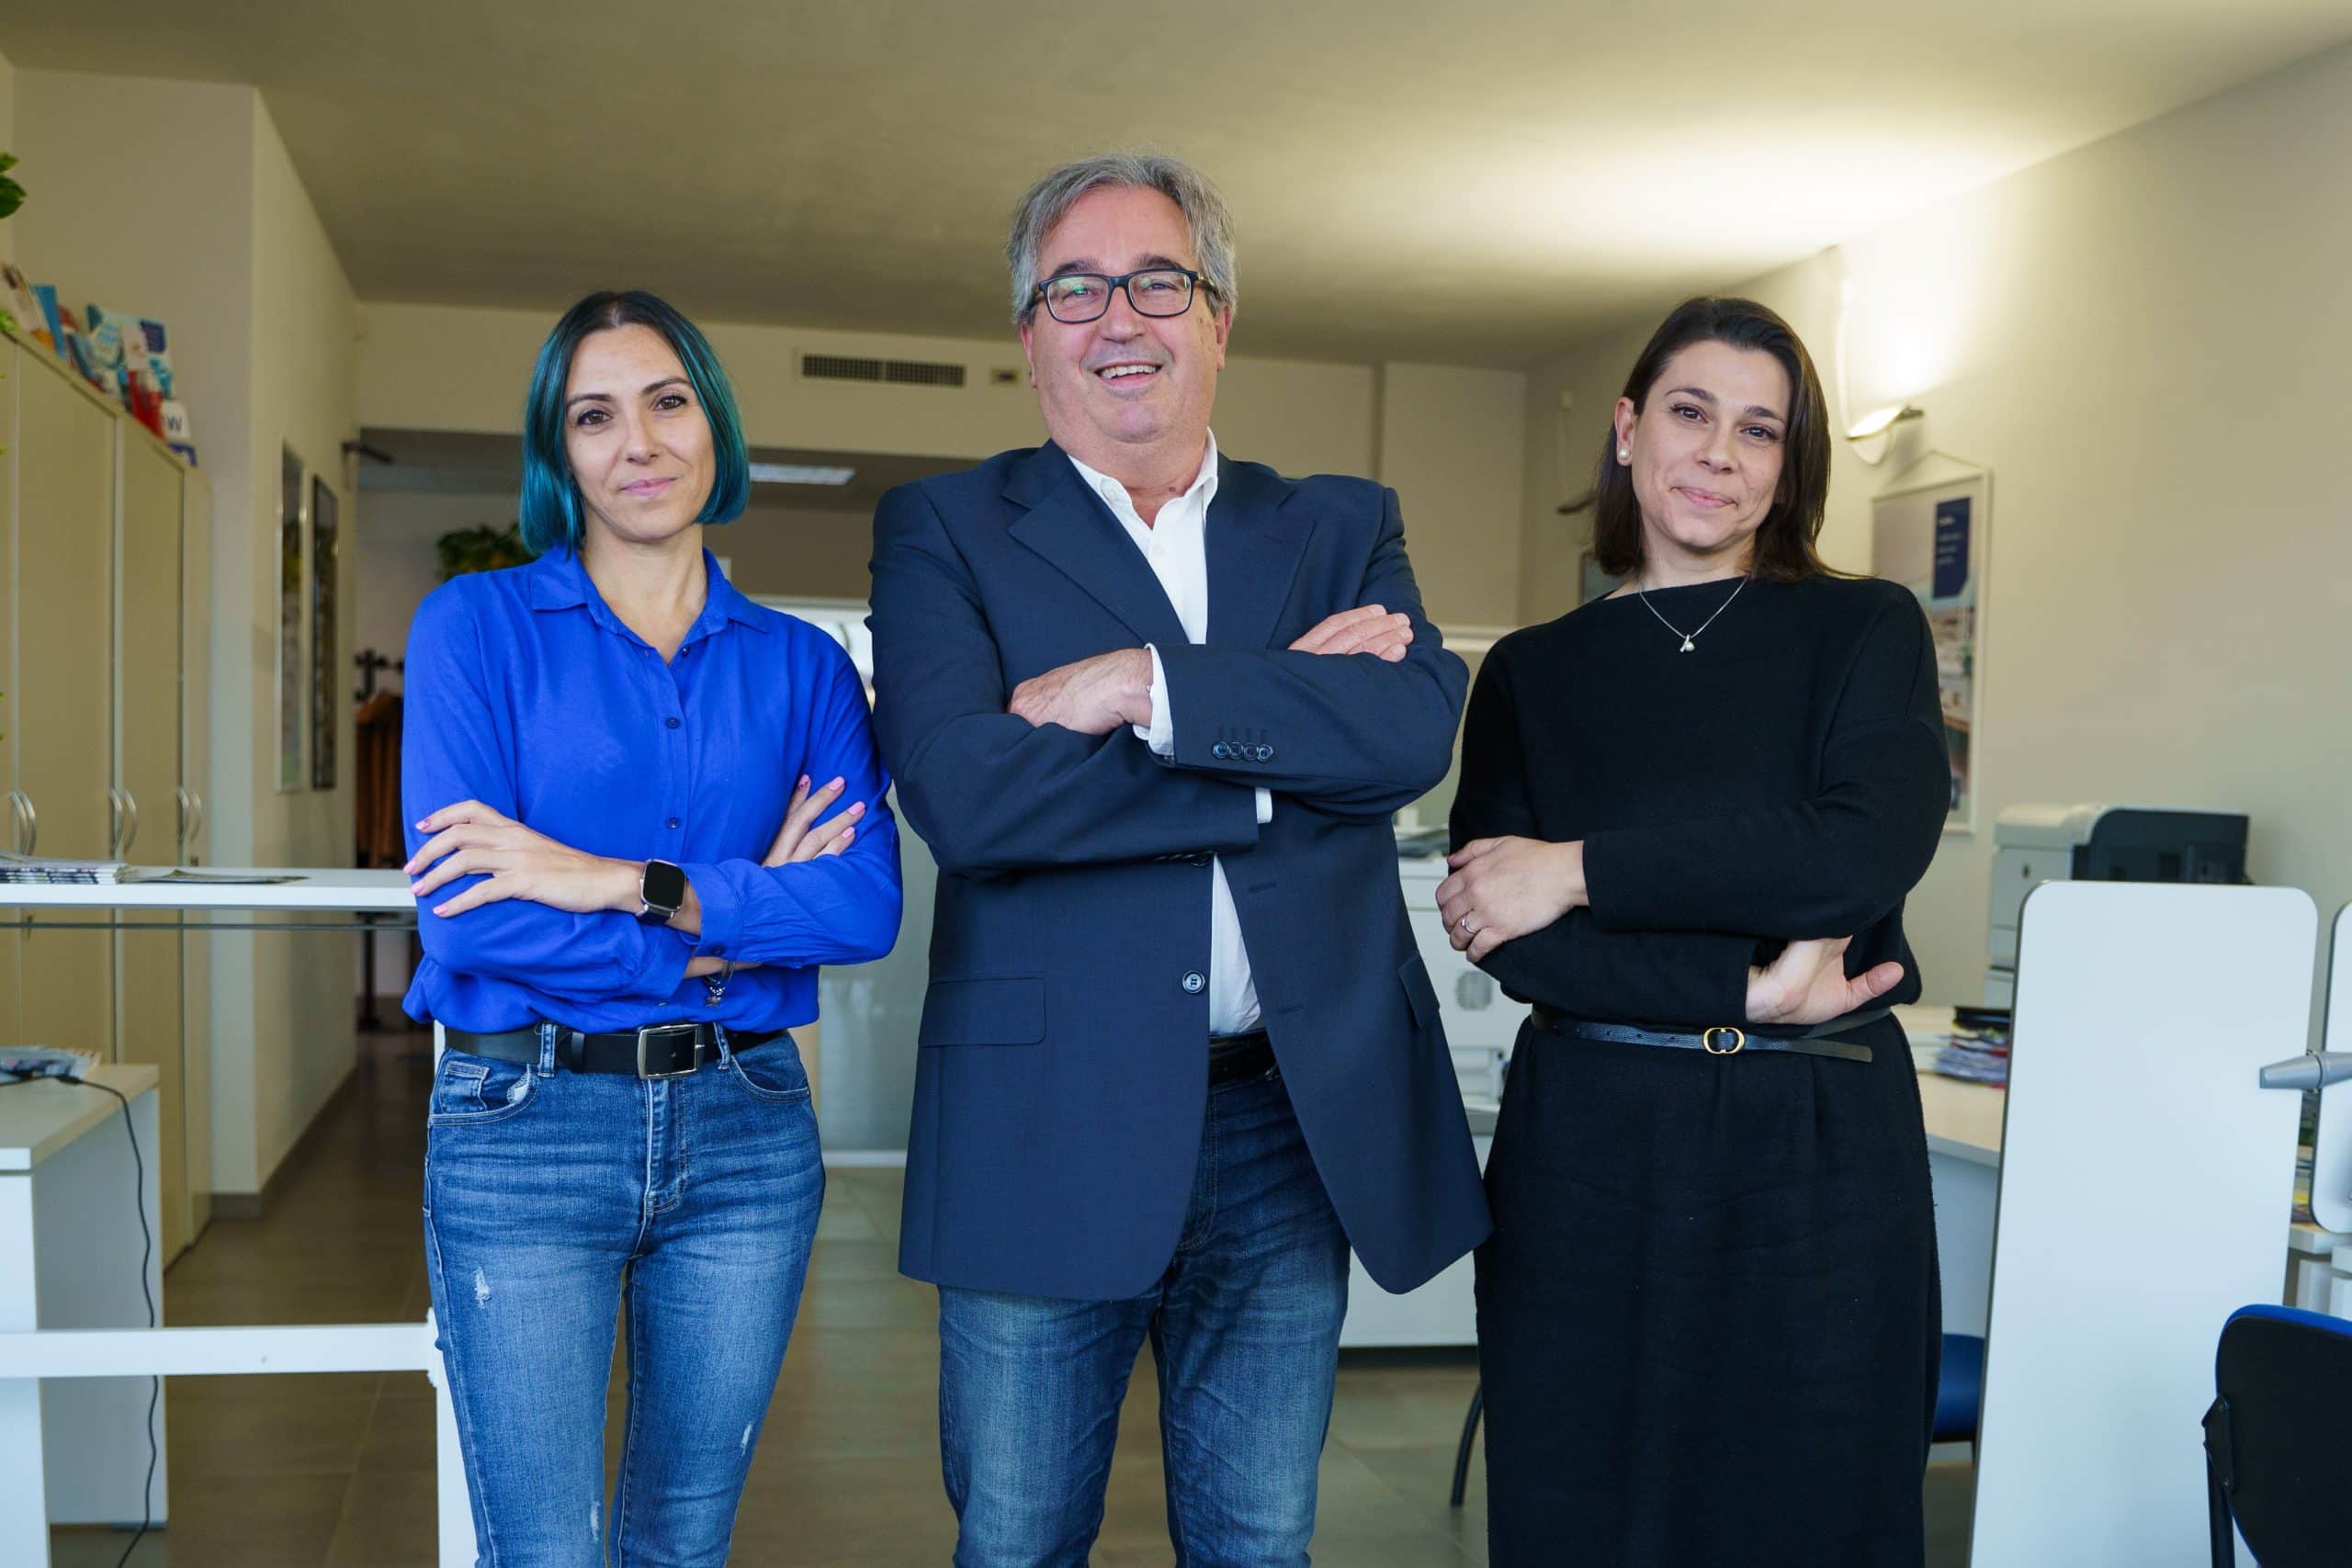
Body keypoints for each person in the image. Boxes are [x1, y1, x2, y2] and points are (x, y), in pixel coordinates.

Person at [865, 152, 1488, 1566]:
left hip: (1287, 1125)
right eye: (1073, 290)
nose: (1117, 320)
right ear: (1029, 335)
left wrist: (1143, 685)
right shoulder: (947, 528)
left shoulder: (1339, 523)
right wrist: (1282, 748)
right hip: (1044, 1120)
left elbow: (1406, 736)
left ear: (1218, 320)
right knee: (1020, 1543)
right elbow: (966, 796)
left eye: (1157, 282)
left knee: (1259, 1544)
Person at [1438, 295, 1950, 1567]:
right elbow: (1503, 929)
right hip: (1586, 1150)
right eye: (1690, 412)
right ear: (1628, 430)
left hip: (1815, 1154)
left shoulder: (1866, 628)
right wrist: (1744, 984)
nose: (1719, 453)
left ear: (1790, 464)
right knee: (1579, 1517)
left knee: (1809, 1520)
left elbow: (1850, 855)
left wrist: (1577, 870)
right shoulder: (1532, 672)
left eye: (1759, 429)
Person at [401, 288, 901, 1566]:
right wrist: (735, 921)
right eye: (594, 415)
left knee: (683, 1544)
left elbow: (863, 905)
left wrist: (615, 880)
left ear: (714, 424)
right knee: (545, 1552)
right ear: (558, 451)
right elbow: (468, 926)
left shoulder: (805, 668)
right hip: (525, 1130)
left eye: (668, 402)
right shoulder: (474, 630)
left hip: (745, 1131)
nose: (639, 442)